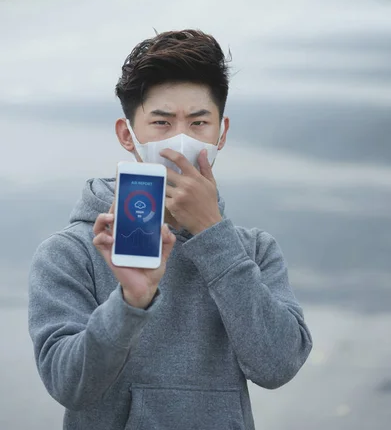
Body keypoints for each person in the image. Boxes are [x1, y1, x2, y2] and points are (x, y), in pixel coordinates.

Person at [28, 29, 312, 430]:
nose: (181, 140)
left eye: (199, 122)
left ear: (222, 133)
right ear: (128, 135)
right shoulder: (73, 252)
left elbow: (278, 364)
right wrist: (129, 303)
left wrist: (214, 237)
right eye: (161, 122)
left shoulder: (252, 251)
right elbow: (69, 385)